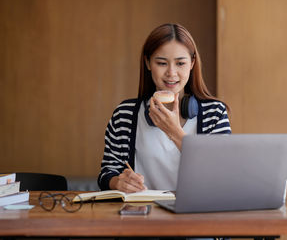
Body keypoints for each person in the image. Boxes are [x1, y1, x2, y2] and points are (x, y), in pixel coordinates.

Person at [98, 23, 231, 193]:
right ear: (148, 63)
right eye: (161, 63)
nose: (171, 73)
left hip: (196, 215)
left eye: (180, 63)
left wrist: (174, 132)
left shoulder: (215, 113)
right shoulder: (125, 115)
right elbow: (106, 173)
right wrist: (118, 182)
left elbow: (223, 174)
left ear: (192, 63)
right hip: (143, 215)